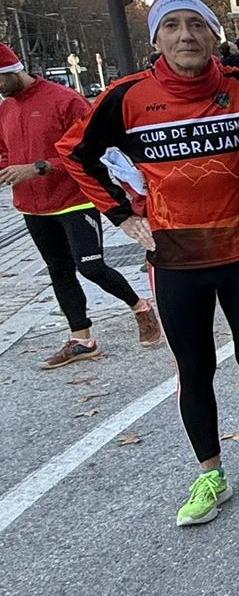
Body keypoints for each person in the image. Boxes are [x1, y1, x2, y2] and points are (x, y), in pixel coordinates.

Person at [57, 0, 239, 526]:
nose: (185, 35)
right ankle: (209, 474)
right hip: (173, 257)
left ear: (215, 34)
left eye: (196, 24)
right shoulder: (127, 96)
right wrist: (121, 215)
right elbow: (73, 154)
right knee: (192, 369)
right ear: (156, 39)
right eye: (171, 26)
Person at [0, 43, 160, 368]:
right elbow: (5, 151)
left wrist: (39, 167)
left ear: (12, 71)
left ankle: (140, 306)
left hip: (75, 201)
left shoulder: (64, 99)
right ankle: (81, 338)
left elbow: (87, 150)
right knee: (59, 270)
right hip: (32, 206)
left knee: (91, 266)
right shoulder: (4, 109)